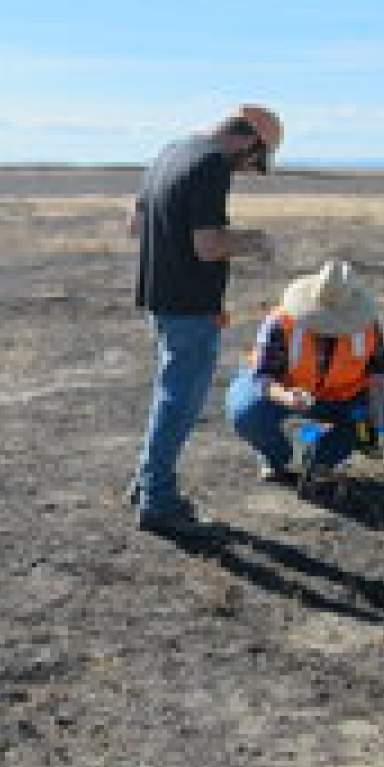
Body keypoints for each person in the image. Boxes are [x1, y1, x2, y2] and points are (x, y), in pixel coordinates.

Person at [126, 104, 283, 535]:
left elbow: (135, 224)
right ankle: (158, 501)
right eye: (256, 160)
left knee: (169, 394)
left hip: (159, 297)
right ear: (249, 141)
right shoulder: (211, 164)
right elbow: (208, 246)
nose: (251, 168)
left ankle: (146, 485)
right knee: (179, 402)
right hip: (190, 304)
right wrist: (256, 242)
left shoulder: (169, 152)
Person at [225, 259, 384, 484]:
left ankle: (319, 461)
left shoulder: (367, 325)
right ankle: (277, 459)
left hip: (343, 398)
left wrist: (376, 416)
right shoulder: (280, 322)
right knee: (246, 412)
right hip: (285, 392)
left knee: (379, 415)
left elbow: (379, 374)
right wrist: (287, 397)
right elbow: (263, 378)